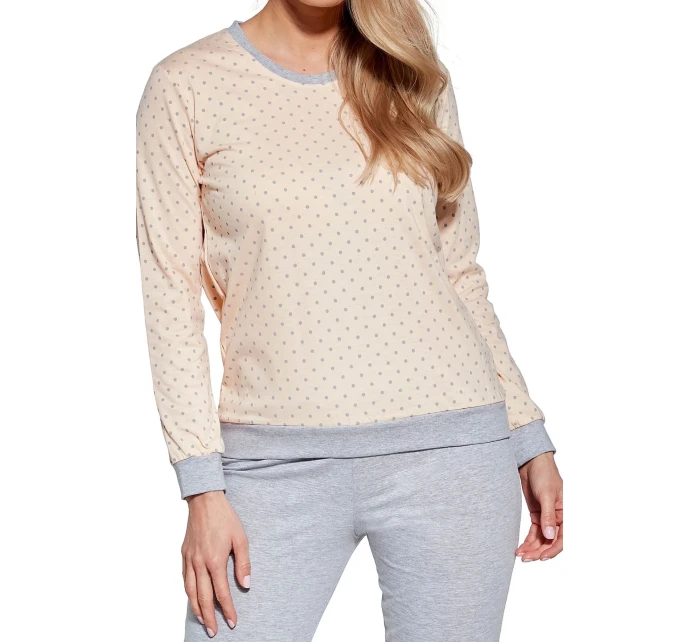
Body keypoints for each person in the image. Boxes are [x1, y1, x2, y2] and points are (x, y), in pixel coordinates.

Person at [134, 1, 564, 640]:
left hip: (451, 451)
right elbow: (168, 293)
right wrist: (201, 486)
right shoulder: (186, 85)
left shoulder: (412, 74)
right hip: (272, 463)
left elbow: (458, 273)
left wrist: (528, 435)